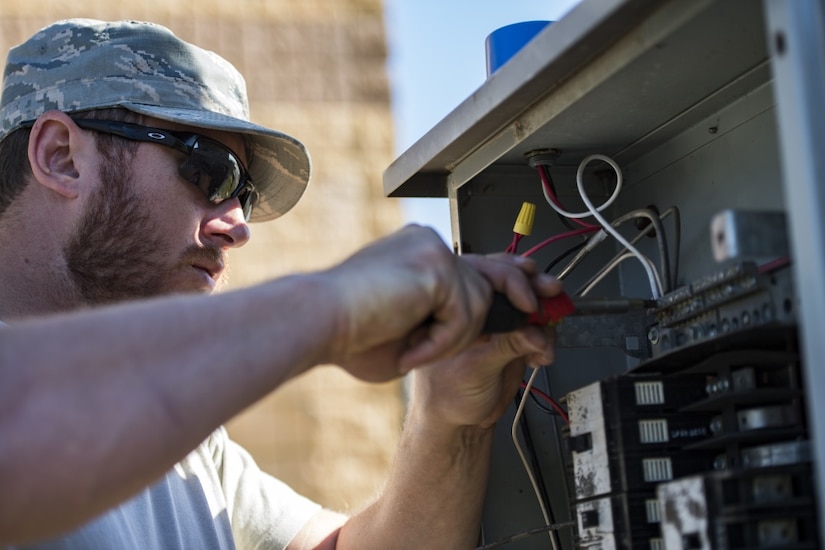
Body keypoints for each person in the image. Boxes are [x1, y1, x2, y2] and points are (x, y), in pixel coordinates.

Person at [0, 19, 561, 549]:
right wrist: (331, 305)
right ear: (62, 157)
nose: (238, 225)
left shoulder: (190, 449)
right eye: (208, 170)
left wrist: (450, 421)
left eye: (244, 195)